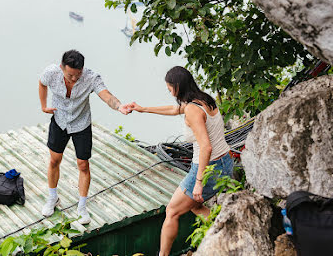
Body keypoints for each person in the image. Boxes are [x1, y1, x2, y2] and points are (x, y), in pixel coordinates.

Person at [128, 66, 233, 256]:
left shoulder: (193, 109)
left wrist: (199, 182)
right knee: (194, 206)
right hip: (225, 161)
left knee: (172, 211)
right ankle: (228, 232)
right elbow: (174, 109)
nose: (169, 92)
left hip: (209, 167)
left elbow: (206, 146)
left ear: (177, 87)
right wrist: (143, 109)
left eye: (169, 89)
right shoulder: (203, 100)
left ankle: (164, 255)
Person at [39, 49, 130, 224]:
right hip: (59, 120)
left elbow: (106, 95)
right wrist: (43, 106)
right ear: (61, 68)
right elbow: (42, 84)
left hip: (81, 123)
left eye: (77, 75)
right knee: (54, 160)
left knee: (83, 164)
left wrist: (119, 107)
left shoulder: (91, 77)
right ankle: (52, 198)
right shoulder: (51, 72)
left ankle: (81, 207)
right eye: (70, 75)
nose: (74, 79)